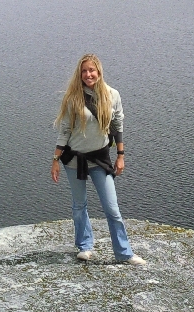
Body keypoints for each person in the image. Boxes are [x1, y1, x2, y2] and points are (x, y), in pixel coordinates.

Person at [51, 53, 145, 266]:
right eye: (84, 71)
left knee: (112, 208)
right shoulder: (73, 97)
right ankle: (85, 246)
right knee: (79, 205)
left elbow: (117, 126)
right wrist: (55, 159)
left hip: (100, 159)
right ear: (80, 74)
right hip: (74, 159)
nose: (88, 74)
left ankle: (124, 253)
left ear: (99, 72)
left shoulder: (112, 95)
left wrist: (120, 156)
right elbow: (65, 130)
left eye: (92, 70)